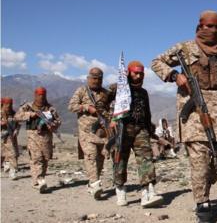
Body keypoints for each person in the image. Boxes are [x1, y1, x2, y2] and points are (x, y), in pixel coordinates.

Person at [151, 10, 217, 222]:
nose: (211, 30)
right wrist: (175, 75)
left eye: (216, 26)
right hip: (193, 112)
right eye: (207, 26)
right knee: (200, 159)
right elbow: (157, 62)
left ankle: (200, 185)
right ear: (199, 26)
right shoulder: (185, 48)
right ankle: (202, 203)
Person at [109, 61, 163, 208]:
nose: (138, 76)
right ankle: (120, 189)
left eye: (141, 74)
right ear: (129, 73)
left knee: (146, 158)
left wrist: (150, 130)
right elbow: (101, 104)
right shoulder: (117, 89)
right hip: (122, 129)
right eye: (135, 73)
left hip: (140, 129)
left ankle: (148, 191)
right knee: (120, 160)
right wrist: (111, 119)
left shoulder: (143, 92)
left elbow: (147, 113)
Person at [68, 67, 113, 199]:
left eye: (99, 79)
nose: (96, 81)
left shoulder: (105, 93)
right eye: (94, 78)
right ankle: (95, 184)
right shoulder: (82, 91)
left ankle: (92, 183)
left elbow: (111, 108)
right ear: (88, 78)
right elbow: (71, 106)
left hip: (101, 132)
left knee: (100, 158)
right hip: (86, 131)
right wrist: (86, 107)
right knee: (91, 156)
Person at [15, 87, 61, 193]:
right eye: (39, 95)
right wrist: (31, 115)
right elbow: (17, 117)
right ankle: (37, 182)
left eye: (43, 95)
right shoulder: (28, 106)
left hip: (46, 137)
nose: (41, 97)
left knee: (45, 158)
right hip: (33, 135)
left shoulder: (50, 108)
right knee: (36, 158)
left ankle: (41, 179)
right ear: (35, 95)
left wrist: (53, 125)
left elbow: (58, 121)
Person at [1, 97, 21, 180]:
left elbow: (18, 123)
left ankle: (13, 171)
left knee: (13, 154)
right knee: (2, 154)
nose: (9, 106)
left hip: (11, 137)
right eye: (7, 104)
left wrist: (16, 130)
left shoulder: (13, 113)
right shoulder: (1, 112)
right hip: (2, 137)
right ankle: (5, 164)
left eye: (10, 104)